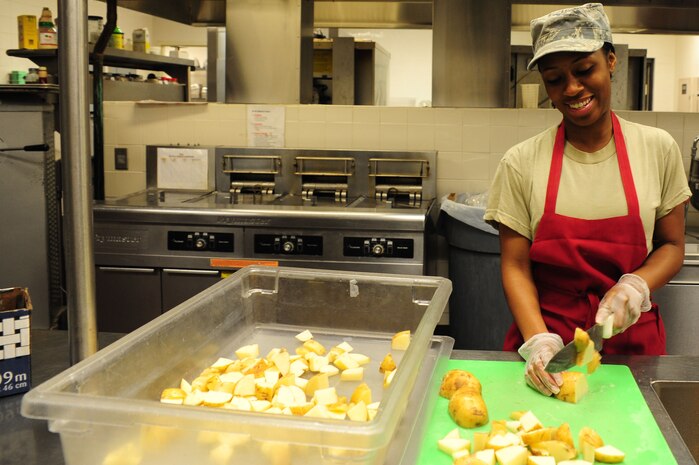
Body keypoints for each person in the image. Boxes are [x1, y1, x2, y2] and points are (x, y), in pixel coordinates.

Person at [484, 3, 692, 397]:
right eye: (555, 79)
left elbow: (672, 246)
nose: (572, 89)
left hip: (633, 346)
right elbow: (514, 266)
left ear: (611, 61)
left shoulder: (657, 149)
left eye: (584, 71)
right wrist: (539, 341)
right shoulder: (520, 162)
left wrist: (636, 287)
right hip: (549, 344)